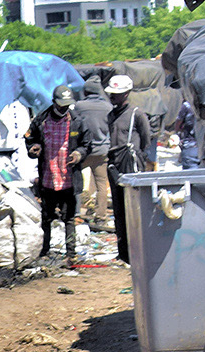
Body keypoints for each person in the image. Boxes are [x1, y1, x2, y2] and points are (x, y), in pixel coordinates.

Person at [24, 85, 88, 263]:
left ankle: (71, 254)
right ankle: (44, 251)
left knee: (69, 218)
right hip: (48, 177)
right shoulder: (41, 120)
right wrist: (33, 149)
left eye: (66, 105)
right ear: (54, 103)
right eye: (61, 105)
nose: (64, 109)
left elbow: (86, 144)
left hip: (68, 179)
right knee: (46, 218)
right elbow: (30, 138)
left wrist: (78, 154)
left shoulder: (77, 121)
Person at [103, 74, 154, 264]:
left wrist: (137, 157)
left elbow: (146, 139)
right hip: (114, 161)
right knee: (118, 207)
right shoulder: (111, 115)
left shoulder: (137, 114)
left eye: (116, 94)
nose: (112, 97)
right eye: (111, 94)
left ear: (126, 94)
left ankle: (136, 251)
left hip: (131, 163)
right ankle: (123, 252)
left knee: (133, 207)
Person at [75, 83, 115, 232]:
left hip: (83, 151)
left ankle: (76, 213)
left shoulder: (79, 106)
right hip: (102, 151)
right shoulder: (108, 107)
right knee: (101, 184)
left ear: (85, 91)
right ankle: (101, 215)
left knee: (76, 181)